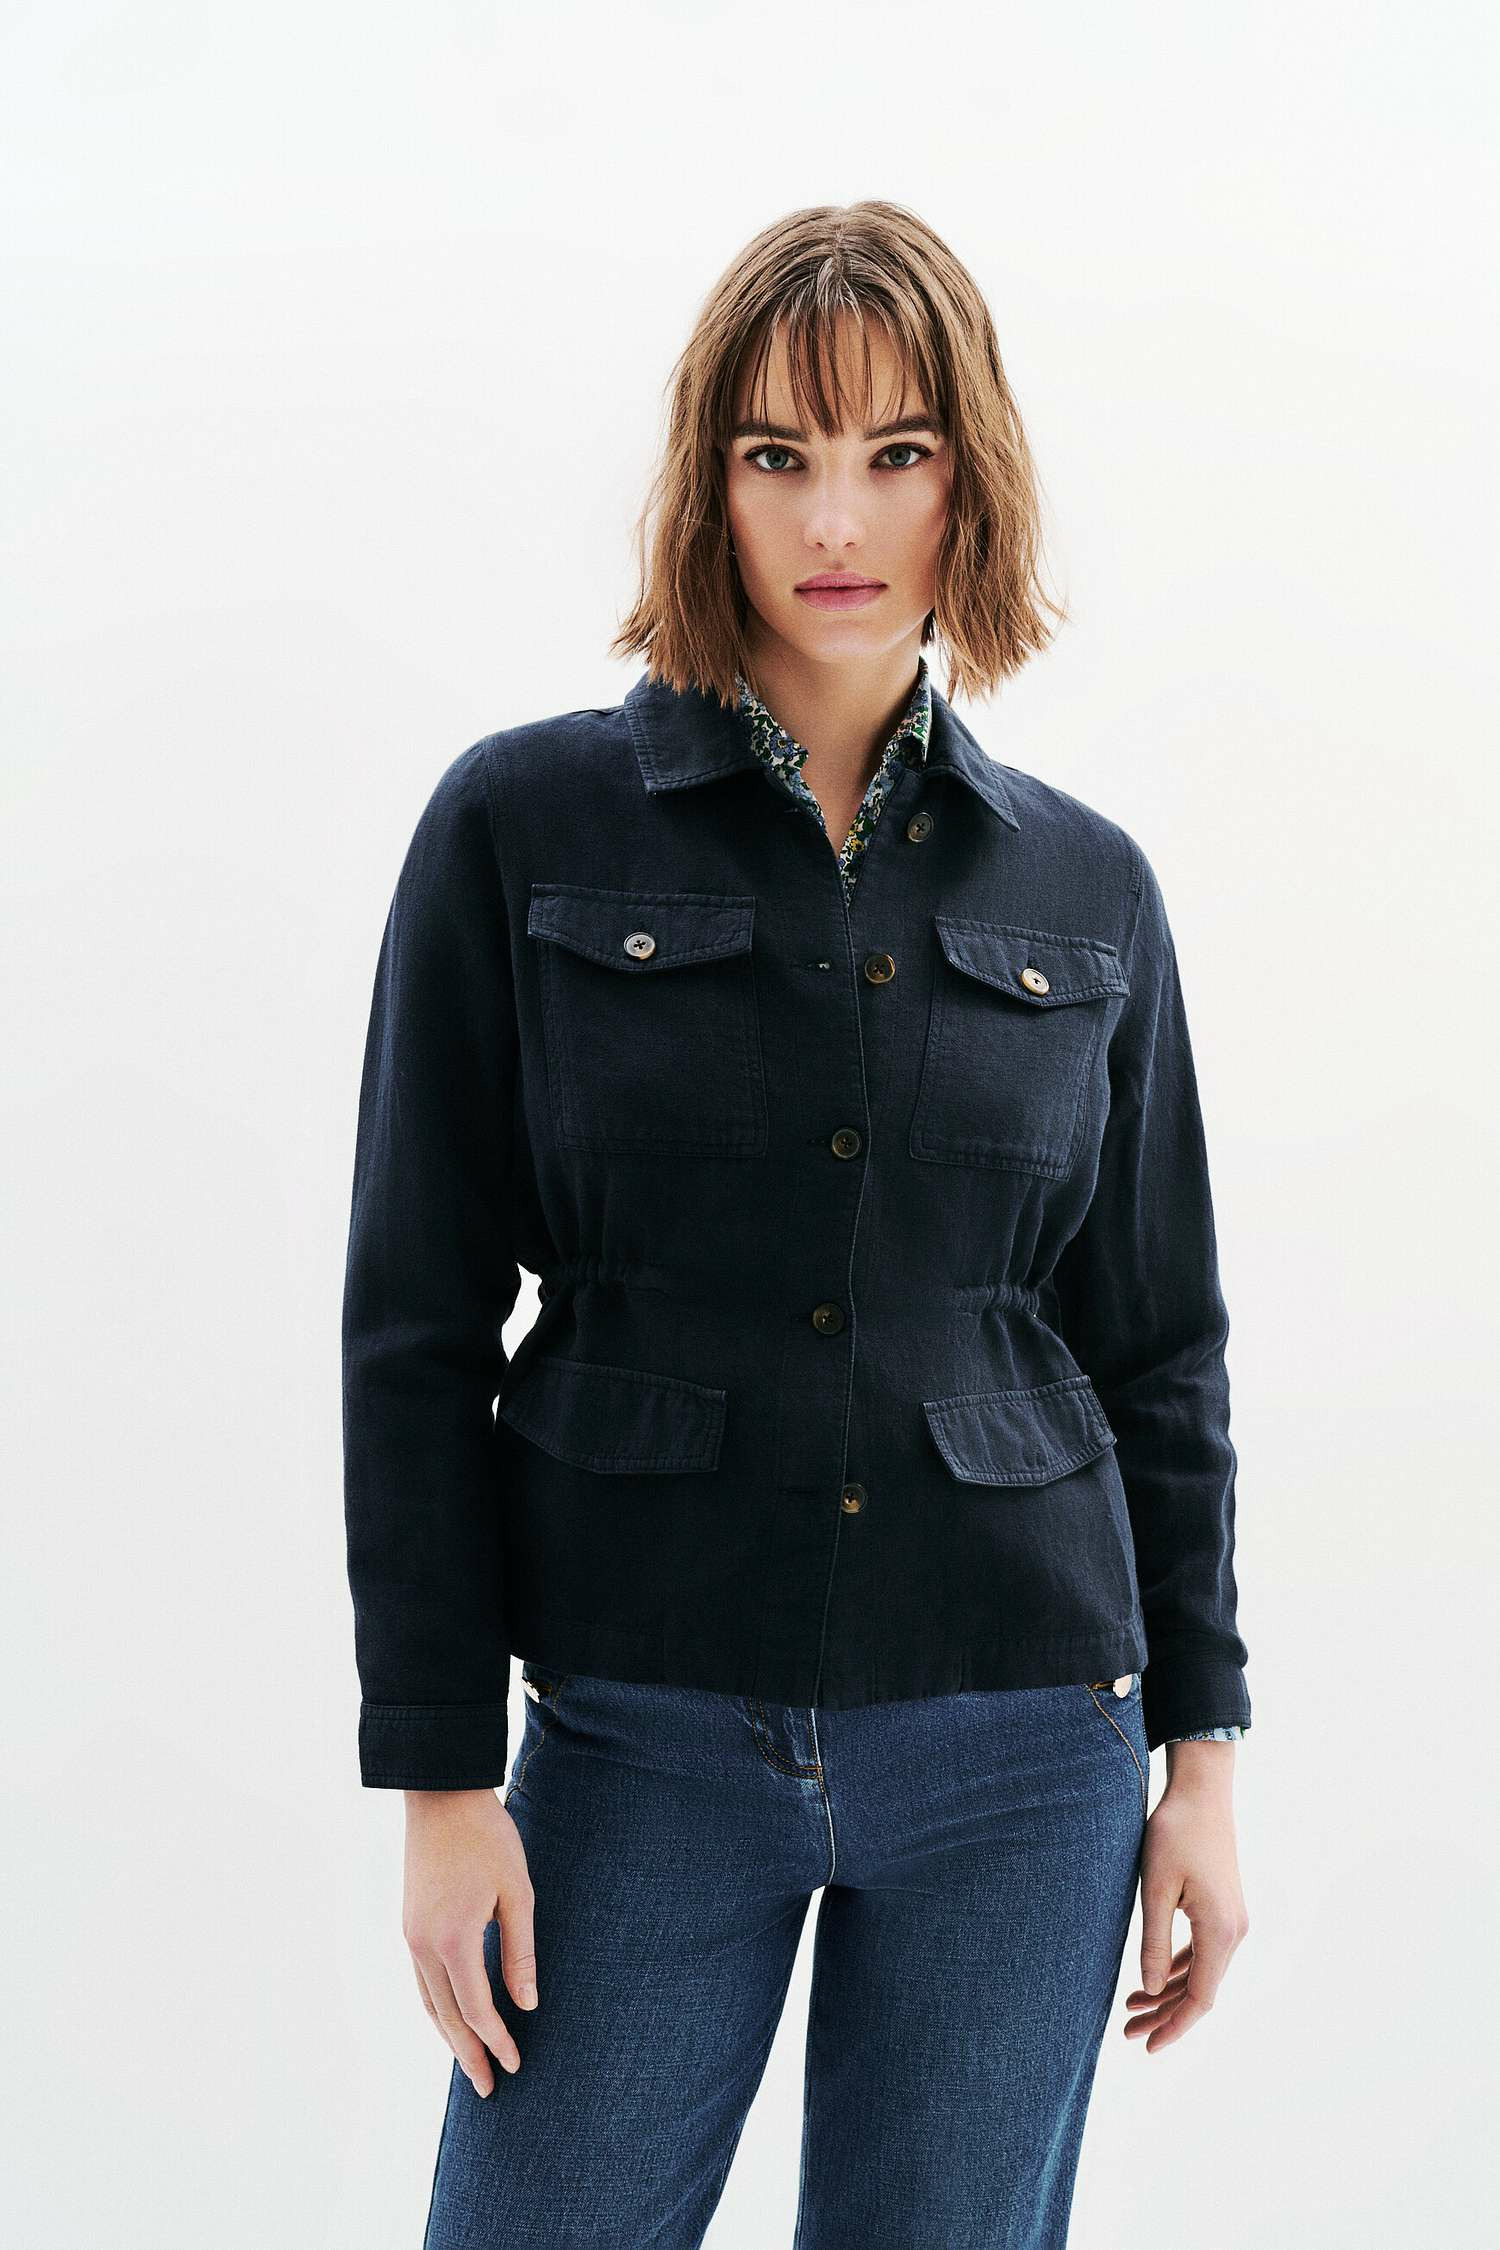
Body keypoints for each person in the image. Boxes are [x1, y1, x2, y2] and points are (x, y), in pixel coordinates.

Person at [341, 199, 1252, 2249]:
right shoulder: (519, 827)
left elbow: (1160, 1345)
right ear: (710, 482)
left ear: (968, 479)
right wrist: (441, 1782)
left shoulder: (1087, 889)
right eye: (779, 455)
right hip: (639, 1729)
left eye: (895, 452)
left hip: (1024, 1742)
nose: (836, 519)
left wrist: (1201, 1754)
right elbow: (411, 1324)